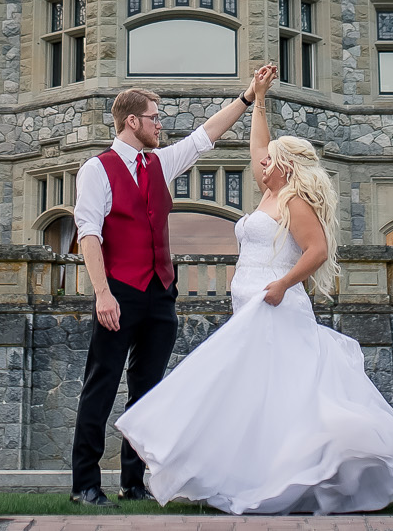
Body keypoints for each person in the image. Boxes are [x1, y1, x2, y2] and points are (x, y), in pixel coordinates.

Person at [116, 67, 393, 513]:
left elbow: (316, 250)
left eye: (271, 161)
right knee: (257, 394)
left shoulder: (293, 199)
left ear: (286, 167)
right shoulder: (269, 193)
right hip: (251, 304)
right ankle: (257, 471)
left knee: (270, 389)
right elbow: (258, 144)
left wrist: (281, 285)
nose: (262, 164)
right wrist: (257, 99)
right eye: (266, 160)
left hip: (276, 304)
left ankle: (305, 469)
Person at [69, 75, 265, 506]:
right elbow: (88, 234)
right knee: (100, 385)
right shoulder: (96, 169)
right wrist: (102, 293)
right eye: (155, 119)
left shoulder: (159, 162)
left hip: (160, 294)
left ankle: (133, 482)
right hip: (118, 290)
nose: (162, 126)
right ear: (132, 121)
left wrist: (247, 98)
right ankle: (84, 483)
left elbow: (207, 135)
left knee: (149, 392)